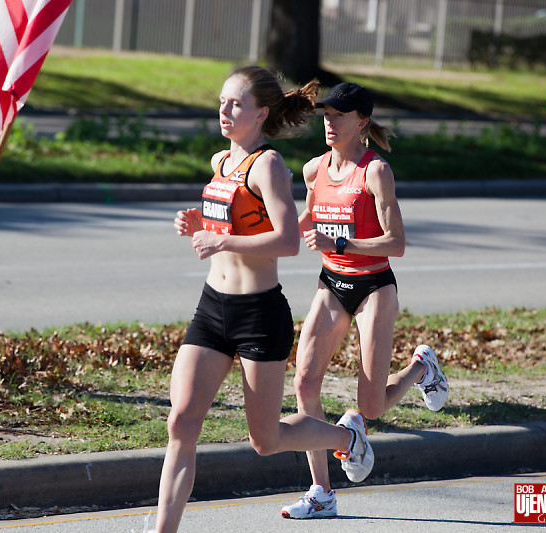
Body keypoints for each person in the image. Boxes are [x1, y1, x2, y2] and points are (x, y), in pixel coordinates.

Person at [148, 67, 376, 533]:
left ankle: (346, 436)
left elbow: (288, 239)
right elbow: (232, 224)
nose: (224, 111)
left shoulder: (268, 164)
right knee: (181, 425)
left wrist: (222, 242)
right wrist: (199, 226)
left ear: (261, 113)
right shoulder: (220, 160)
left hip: (259, 314)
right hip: (213, 308)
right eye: (221, 102)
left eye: (235, 104)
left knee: (266, 440)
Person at [281, 82, 449, 520]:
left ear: (361, 121)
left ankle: (421, 367)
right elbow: (303, 220)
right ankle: (322, 491)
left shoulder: (376, 172)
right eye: (326, 115)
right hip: (332, 284)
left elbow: (396, 243)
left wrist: (340, 240)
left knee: (371, 405)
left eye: (338, 115)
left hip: (375, 287)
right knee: (304, 383)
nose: (329, 122)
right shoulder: (314, 170)